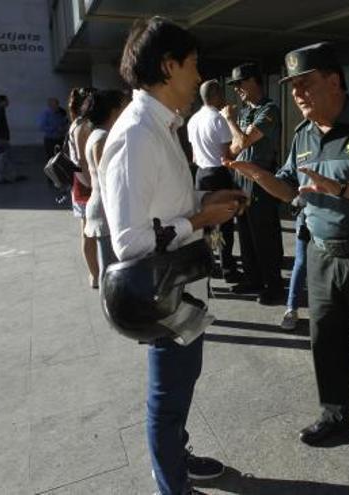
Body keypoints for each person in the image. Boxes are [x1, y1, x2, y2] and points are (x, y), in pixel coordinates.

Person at [226, 42, 349, 459]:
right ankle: (335, 414)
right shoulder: (303, 135)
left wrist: (341, 188)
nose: (297, 94)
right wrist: (255, 173)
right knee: (324, 338)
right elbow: (288, 188)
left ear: (334, 80)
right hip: (322, 254)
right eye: (292, 88)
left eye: (305, 84)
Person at [101, 16, 244, 495]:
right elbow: (129, 241)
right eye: (194, 65)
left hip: (183, 285)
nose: (199, 77)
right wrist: (198, 221)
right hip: (160, 295)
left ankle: (177, 456)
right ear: (167, 66)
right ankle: (172, 486)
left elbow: (162, 207)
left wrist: (203, 208)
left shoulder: (163, 125)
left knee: (182, 386)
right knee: (166, 398)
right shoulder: (136, 133)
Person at [222, 63, 285, 305]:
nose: (237, 88)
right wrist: (239, 135)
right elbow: (235, 146)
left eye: (240, 83)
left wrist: (229, 120)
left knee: (264, 234)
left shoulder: (269, 110)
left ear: (254, 81)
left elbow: (244, 141)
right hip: (242, 178)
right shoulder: (247, 111)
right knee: (246, 233)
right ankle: (254, 278)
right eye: (234, 85)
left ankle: (274, 285)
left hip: (262, 179)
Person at [186, 80, 242, 283]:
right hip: (219, 173)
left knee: (208, 225)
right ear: (216, 95)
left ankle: (211, 265)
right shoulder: (219, 119)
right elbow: (228, 154)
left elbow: (193, 156)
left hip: (201, 174)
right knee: (225, 223)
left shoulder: (192, 120)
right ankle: (228, 267)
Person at [81, 89, 130, 280]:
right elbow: (109, 177)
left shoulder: (99, 134)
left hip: (102, 205)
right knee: (110, 272)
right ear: (114, 111)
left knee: (111, 269)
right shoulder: (102, 137)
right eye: (124, 106)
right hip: (104, 208)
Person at [66, 87, 100, 288]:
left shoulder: (78, 124)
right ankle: (95, 274)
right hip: (84, 183)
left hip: (81, 182)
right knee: (88, 231)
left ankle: (95, 274)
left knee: (87, 230)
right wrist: (92, 183)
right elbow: (81, 159)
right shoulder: (81, 125)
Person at [280, 198, 307, 330]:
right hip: (307, 218)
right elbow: (283, 181)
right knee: (301, 263)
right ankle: (291, 308)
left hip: (339, 221)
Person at [0, 94, 20, 184]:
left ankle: (12, 175)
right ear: (2, 101)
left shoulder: (0, 110)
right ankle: (1, 177)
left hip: (2, 137)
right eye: (7, 100)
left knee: (7, 156)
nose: (8, 102)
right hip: (1, 138)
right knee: (3, 157)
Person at [39, 97, 69, 166]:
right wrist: (55, 128)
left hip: (61, 138)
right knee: (51, 158)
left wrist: (64, 128)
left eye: (57, 104)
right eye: (54, 105)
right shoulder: (45, 114)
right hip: (50, 139)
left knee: (61, 158)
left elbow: (65, 122)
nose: (56, 106)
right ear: (49, 105)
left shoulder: (61, 112)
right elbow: (42, 127)